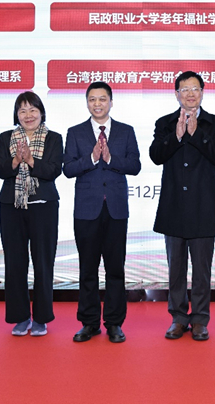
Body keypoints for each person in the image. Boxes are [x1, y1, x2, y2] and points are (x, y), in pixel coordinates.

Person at [150, 71, 215, 341]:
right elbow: (156, 156)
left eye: (195, 89)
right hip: (173, 206)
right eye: (185, 89)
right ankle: (178, 318)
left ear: (202, 92)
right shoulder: (164, 123)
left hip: (203, 206)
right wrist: (176, 136)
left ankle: (200, 319)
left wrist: (196, 134)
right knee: (176, 269)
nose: (190, 94)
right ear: (177, 94)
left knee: (202, 270)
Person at [63, 82, 141, 343]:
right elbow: (68, 169)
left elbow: (135, 165)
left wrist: (109, 159)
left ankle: (114, 323)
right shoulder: (75, 132)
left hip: (116, 210)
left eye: (102, 99)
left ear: (111, 102)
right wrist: (92, 159)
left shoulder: (126, 131)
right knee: (88, 269)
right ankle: (89, 323)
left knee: (115, 268)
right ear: (87, 102)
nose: (97, 104)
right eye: (92, 99)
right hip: (87, 210)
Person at [0, 92, 63, 337]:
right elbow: (0, 169)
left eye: (33, 109)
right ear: (16, 115)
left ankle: (41, 318)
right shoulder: (6, 138)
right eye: (22, 110)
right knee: (15, 263)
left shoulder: (54, 138)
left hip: (43, 205)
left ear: (41, 112)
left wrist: (31, 161)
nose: (28, 115)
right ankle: (20, 317)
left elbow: (54, 170)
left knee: (43, 262)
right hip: (11, 205)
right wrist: (15, 160)